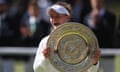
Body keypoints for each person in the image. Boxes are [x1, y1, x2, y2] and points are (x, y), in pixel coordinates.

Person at [33, 1, 101, 72]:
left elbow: (91, 70)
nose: (54, 19)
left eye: (57, 16)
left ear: (68, 17)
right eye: (52, 16)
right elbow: (37, 69)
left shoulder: (82, 39)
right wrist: (45, 58)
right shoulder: (45, 42)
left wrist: (94, 62)